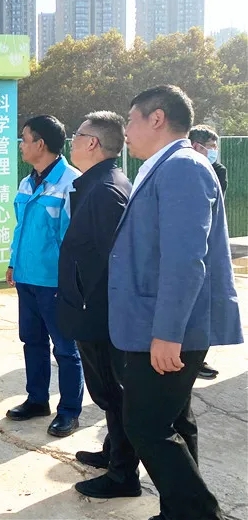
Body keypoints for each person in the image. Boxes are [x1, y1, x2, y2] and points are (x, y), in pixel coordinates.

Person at [111, 85, 242, 520]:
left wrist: (167, 333)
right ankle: (177, 512)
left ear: (157, 118)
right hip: (157, 323)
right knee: (174, 422)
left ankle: (200, 514)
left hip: (168, 328)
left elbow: (186, 259)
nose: (126, 131)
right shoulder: (164, 166)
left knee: (145, 426)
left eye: (130, 120)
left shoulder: (183, 167)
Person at [56, 112, 139, 499]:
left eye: (77, 135)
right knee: (107, 392)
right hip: (90, 308)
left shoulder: (106, 191)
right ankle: (112, 452)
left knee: (112, 392)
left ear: (92, 143)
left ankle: (123, 475)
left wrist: (93, 307)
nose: (72, 141)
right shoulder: (96, 184)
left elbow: (117, 264)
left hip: (100, 314)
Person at [5, 115, 84, 437]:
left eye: (24, 139)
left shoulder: (72, 183)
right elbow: (20, 229)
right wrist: (13, 264)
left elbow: (74, 239)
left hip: (55, 282)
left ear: (40, 144)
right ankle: (37, 400)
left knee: (65, 348)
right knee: (32, 341)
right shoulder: (27, 183)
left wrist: (72, 281)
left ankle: (69, 411)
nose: (21, 146)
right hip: (26, 277)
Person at [188, 124, 228, 380]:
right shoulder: (180, 167)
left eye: (215, 147)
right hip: (187, 243)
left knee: (205, 303)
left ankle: (197, 357)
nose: (214, 151)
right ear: (196, 146)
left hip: (208, 242)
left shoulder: (217, 170)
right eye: (211, 147)